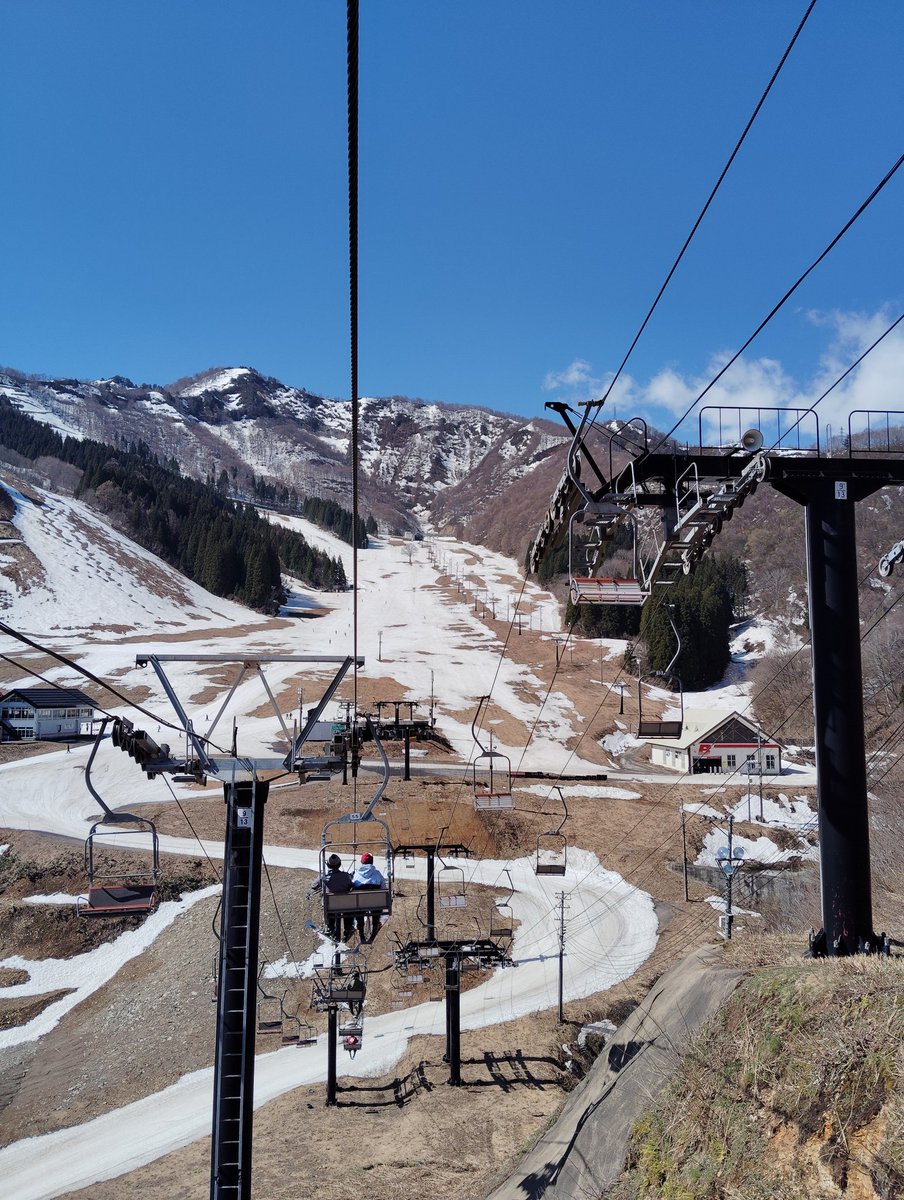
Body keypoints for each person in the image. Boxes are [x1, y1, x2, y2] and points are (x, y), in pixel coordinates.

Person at [312, 853, 355, 941]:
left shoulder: (325, 877)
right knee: (348, 908)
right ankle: (348, 928)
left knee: (329, 908)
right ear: (339, 865)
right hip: (345, 905)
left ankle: (330, 928)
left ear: (328, 865)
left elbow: (314, 885)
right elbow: (352, 884)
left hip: (330, 906)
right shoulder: (346, 876)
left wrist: (321, 876)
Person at [351, 852, 386, 943]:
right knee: (377, 909)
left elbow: (353, 885)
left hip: (361, 903)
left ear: (362, 862)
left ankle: (361, 932)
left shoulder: (357, 874)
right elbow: (383, 887)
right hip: (375, 904)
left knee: (359, 910)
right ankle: (375, 926)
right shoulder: (377, 873)